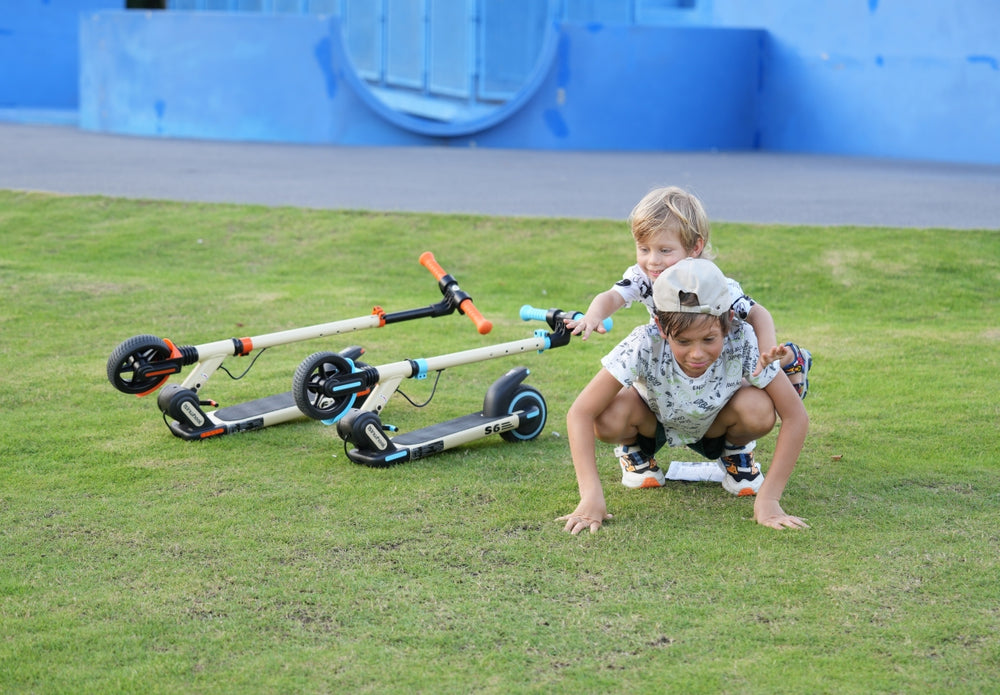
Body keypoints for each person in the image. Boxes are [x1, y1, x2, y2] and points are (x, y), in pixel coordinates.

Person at [565, 186, 812, 491]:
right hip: (664, 373)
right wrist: (593, 316)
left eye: (664, 250)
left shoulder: (719, 290)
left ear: (695, 247)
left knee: (758, 397)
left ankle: (739, 443)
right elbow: (612, 296)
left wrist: (766, 352)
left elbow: (757, 313)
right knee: (610, 412)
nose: (653, 261)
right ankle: (634, 448)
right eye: (644, 249)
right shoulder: (646, 292)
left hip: (716, 381)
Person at [558, 258, 809, 535]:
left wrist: (770, 500)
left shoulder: (743, 339)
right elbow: (580, 412)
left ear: (728, 322)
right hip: (656, 421)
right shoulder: (644, 341)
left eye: (709, 340)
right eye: (683, 341)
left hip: (716, 426)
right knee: (607, 416)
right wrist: (590, 496)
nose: (697, 354)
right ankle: (636, 450)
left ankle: (734, 451)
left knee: (760, 408)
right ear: (661, 327)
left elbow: (795, 416)